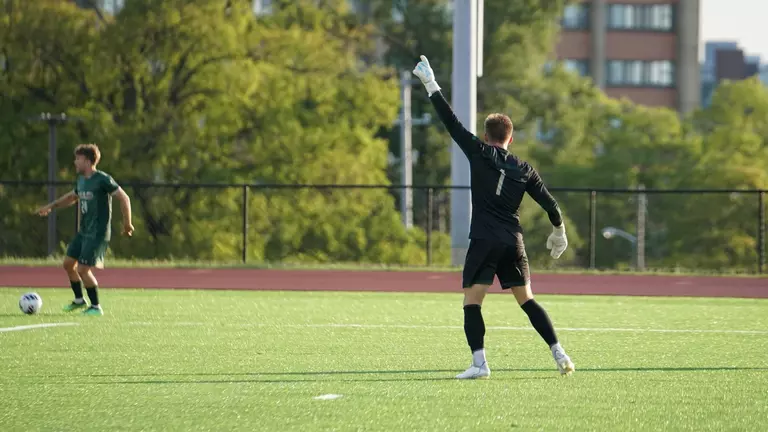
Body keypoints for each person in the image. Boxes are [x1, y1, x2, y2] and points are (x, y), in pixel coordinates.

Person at [412, 55, 575, 379]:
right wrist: (559, 230)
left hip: (484, 239)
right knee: (527, 300)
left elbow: (451, 123)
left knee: (473, 301)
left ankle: (479, 364)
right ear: (510, 139)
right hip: (513, 241)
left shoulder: (479, 152)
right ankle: (560, 354)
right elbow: (550, 203)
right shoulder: (524, 168)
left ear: (487, 136)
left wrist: (431, 85)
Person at [34, 144, 134, 316]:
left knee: (83, 269)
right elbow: (72, 197)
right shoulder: (81, 180)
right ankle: (79, 300)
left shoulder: (103, 179)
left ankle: (96, 307)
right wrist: (51, 206)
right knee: (68, 265)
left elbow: (124, 198)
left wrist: (127, 223)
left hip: (97, 233)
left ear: (87, 161)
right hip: (83, 232)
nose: (75, 162)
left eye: (78, 159)